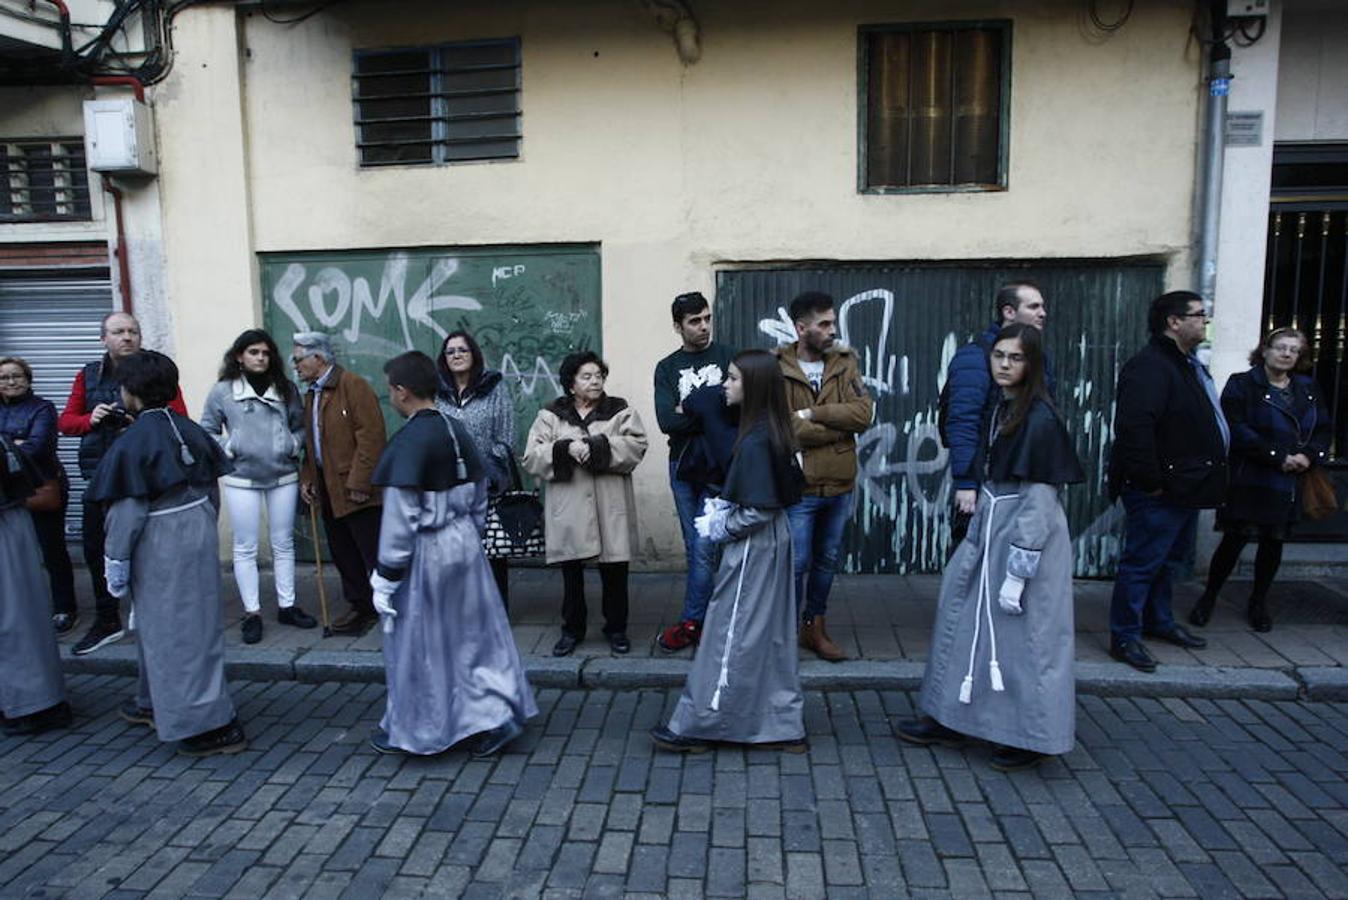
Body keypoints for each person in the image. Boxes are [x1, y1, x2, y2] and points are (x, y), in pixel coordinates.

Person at [898, 324, 1084, 772]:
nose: (1003, 364)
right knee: (962, 618)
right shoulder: (1004, 409)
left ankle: (1032, 734)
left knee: (1028, 637)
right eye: (999, 355)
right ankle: (952, 714)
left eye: (1015, 358)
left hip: (1022, 532)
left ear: (1032, 363)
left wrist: (1020, 570)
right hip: (993, 524)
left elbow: (1040, 499)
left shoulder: (1038, 417)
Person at [367, 351, 537, 757]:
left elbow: (400, 520)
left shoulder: (408, 441)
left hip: (428, 549)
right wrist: (467, 536)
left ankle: (425, 726)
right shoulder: (457, 430)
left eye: (391, 389)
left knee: (424, 643)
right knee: (473, 638)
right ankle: (495, 715)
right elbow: (480, 495)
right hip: (465, 543)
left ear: (401, 392)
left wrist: (386, 576)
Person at [85, 350, 246, 757]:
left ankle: (200, 725)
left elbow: (127, 513)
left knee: (173, 632)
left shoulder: (132, 442)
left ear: (130, 393)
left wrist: (116, 561)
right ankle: (152, 699)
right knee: (191, 625)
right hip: (197, 531)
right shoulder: (190, 429)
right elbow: (212, 491)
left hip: (159, 539)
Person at [651, 350, 806, 753]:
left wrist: (721, 524)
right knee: (767, 637)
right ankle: (780, 723)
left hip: (754, 547)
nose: (725, 385)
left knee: (726, 631)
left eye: (733, 379)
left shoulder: (756, 440)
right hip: (773, 543)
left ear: (752, 387)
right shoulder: (770, 429)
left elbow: (758, 509)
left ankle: (702, 722)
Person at [1108, 291, 1226, 673]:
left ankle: (1158, 621)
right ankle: (1125, 635)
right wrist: (1151, 482)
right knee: (1142, 562)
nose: (1204, 321)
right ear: (1174, 321)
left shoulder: (1183, 364)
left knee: (1166, 562)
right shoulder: (1151, 367)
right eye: (1198, 315)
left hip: (1184, 486)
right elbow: (1134, 429)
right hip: (1159, 489)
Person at [58, 312, 187, 656]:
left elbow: (179, 420)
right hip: (99, 475)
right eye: (118, 331)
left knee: (149, 549)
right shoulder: (87, 376)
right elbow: (66, 422)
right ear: (104, 339)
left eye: (133, 331)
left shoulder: (156, 373)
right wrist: (91, 419)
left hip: (145, 479)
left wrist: (143, 427)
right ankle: (106, 619)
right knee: (95, 549)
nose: (127, 337)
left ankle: (150, 615)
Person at [1188, 327, 1332, 632]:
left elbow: (1322, 428)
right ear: (1265, 350)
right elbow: (1235, 427)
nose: (1287, 354)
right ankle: (1209, 597)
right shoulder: (1243, 384)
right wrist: (1278, 456)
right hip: (1251, 475)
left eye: (1294, 350)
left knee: (1274, 540)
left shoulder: (1307, 388)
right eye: (1281, 347)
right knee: (1235, 538)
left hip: (1289, 479)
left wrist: (1309, 455)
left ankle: (1258, 602)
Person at [523, 350, 648, 657]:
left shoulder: (619, 411)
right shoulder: (550, 415)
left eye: (598, 375)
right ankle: (572, 629)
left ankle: (616, 629)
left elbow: (636, 444)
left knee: (615, 570)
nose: (595, 381)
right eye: (586, 376)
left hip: (609, 505)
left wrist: (596, 446)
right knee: (571, 573)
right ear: (571, 384)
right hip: (569, 507)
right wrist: (565, 448)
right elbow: (532, 456)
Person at [200, 330, 317, 644]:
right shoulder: (223, 391)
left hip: (283, 475)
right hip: (241, 478)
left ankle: (287, 606)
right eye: (253, 352)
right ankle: (252, 613)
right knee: (245, 546)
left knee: (283, 543)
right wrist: (229, 447)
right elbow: (207, 429)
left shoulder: (287, 389)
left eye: (265, 353)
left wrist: (292, 445)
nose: (260, 358)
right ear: (239, 355)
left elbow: (301, 427)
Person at [775, 291, 874, 661]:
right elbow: (783, 429)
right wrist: (837, 425)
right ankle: (782, 632)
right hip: (800, 488)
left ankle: (814, 627)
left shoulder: (845, 363)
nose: (833, 330)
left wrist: (813, 416)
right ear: (802, 328)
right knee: (796, 563)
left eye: (833, 322)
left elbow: (863, 415)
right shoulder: (777, 367)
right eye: (824, 324)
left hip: (840, 484)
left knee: (826, 561)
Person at [653, 292, 737, 653]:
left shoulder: (728, 356)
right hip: (684, 466)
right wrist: (712, 409)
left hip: (720, 465)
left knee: (711, 547)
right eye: (694, 321)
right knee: (697, 548)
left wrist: (691, 409)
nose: (703, 327)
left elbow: (740, 412)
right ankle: (699, 621)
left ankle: (698, 620)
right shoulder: (667, 367)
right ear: (677, 326)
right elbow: (666, 420)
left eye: (706, 319)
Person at [943, 282, 1051, 549]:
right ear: (1009, 312)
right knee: (972, 561)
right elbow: (963, 421)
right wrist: (966, 482)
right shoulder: (976, 357)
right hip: (985, 480)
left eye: (1043, 306)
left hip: (1023, 478)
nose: (1043, 313)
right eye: (1034, 306)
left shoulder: (1037, 358)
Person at [294, 332, 386, 636]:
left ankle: (387, 607)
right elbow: (312, 443)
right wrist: (308, 477)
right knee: (343, 551)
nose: (296, 366)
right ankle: (361, 606)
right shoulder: (312, 393)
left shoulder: (353, 386)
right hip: (328, 487)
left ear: (317, 358)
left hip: (354, 488)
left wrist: (361, 483)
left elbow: (371, 438)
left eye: (299, 360)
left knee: (369, 551)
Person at [434, 330, 516, 609]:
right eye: (450, 351)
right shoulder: (437, 392)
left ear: (474, 355)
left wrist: (487, 469)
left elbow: (506, 436)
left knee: (490, 550)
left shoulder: (494, 387)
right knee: (453, 548)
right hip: (448, 484)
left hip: (486, 483)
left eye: (462, 350)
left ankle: (496, 608)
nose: (456, 355)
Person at [0, 432, 72, 737]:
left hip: (7, 529)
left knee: (16, 619)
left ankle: (34, 704)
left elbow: (46, 492)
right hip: (12, 527)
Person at [0, 356, 78, 634]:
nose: (11, 381)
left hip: (42, 487)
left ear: (28, 379)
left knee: (52, 550)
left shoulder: (42, 408)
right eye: (5, 377)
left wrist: (6, 446)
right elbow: (23, 446)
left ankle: (64, 608)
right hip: (6, 493)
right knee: (11, 552)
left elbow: (37, 446)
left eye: (17, 376)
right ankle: (22, 608)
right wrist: (15, 443)